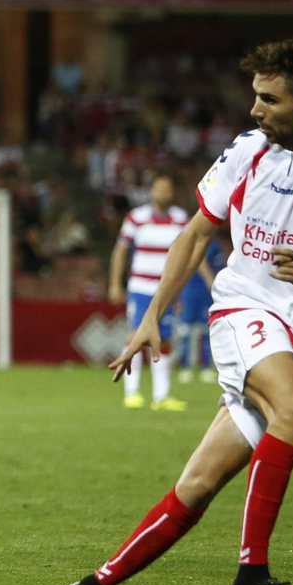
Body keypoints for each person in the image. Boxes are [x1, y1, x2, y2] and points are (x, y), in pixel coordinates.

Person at [29, 39, 293, 585]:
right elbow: (199, 233)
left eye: (268, 99)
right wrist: (152, 317)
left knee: (195, 488)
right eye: (254, 96)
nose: (254, 110)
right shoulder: (247, 151)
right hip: (242, 309)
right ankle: (251, 580)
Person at [107, 172, 197, 410]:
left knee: (165, 339)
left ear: (172, 193)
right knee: (135, 335)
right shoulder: (136, 218)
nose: (163, 194)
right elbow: (120, 251)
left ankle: (161, 396)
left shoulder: (181, 219)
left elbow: (188, 253)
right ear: (151, 191)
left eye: (167, 189)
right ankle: (132, 392)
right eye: (159, 189)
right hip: (140, 288)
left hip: (166, 290)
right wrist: (115, 284)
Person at [175, 233, 224, 384]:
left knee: (207, 329)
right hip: (191, 290)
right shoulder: (193, 241)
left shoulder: (215, 243)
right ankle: (185, 367)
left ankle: (206, 367)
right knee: (186, 330)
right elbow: (198, 260)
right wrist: (210, 279)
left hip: (206, 292)